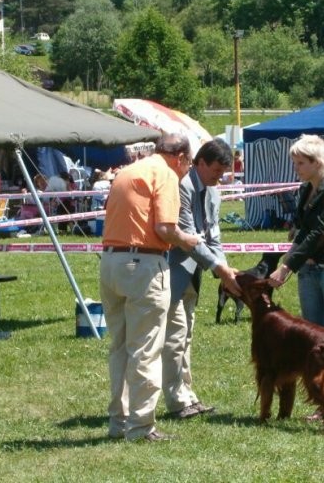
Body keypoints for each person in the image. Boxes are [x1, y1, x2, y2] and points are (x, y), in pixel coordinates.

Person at [100, 134, 201, 443]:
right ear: (181, 157)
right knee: (145, 349)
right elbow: (165, 229)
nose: (187, 170)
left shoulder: (129, 170)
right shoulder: (166, 174)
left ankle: (120, 421)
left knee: (120, 347)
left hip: (110, 263)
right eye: (189, 163)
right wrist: (189, 240)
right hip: (143, 265)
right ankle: (141, 427)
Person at [267, 134, 324, 426]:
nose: (296, 168)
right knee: (314, 344)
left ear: (318, 163)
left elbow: (318, 234)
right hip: (309, 272)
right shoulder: (306, 190)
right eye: (295, 163)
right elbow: (304, 230)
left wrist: (285, 267)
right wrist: (295, 239)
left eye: (300, 163)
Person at [162, 138, 241, 419]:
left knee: (186, 338)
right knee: (174, 339)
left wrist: (225, 269)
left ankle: (187, 395)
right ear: (200, 162)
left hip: (195, 275)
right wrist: (219, 269)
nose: (218, 178)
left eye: (222, 173)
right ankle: (176, 401)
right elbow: (188, 238)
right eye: (215, 171)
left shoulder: (214, 193)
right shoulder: (180, 188)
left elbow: (213, 236)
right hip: (173, 271)